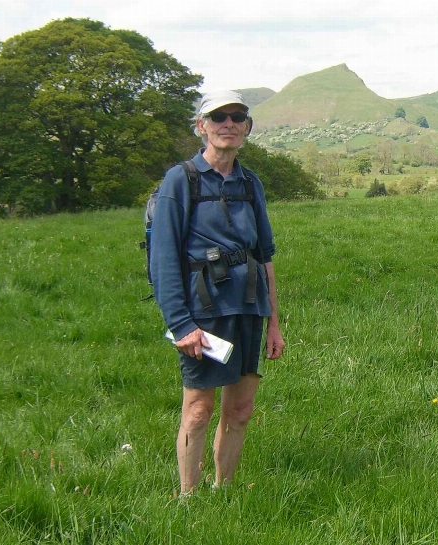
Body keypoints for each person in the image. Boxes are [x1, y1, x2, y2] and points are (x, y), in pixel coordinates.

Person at [150, 90, 285, 494]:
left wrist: (274, 322)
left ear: (246, 128)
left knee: (240, 409)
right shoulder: (182, 180)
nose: (228, 124)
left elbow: (265, 256)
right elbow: (164, 259)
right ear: (201, 126)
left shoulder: (250, 182)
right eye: (218, 117)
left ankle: (223, 490)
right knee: (197, 409)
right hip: (203, 312)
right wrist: (180, 323)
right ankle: (188, 498)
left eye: (237, 117)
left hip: (248, 308)